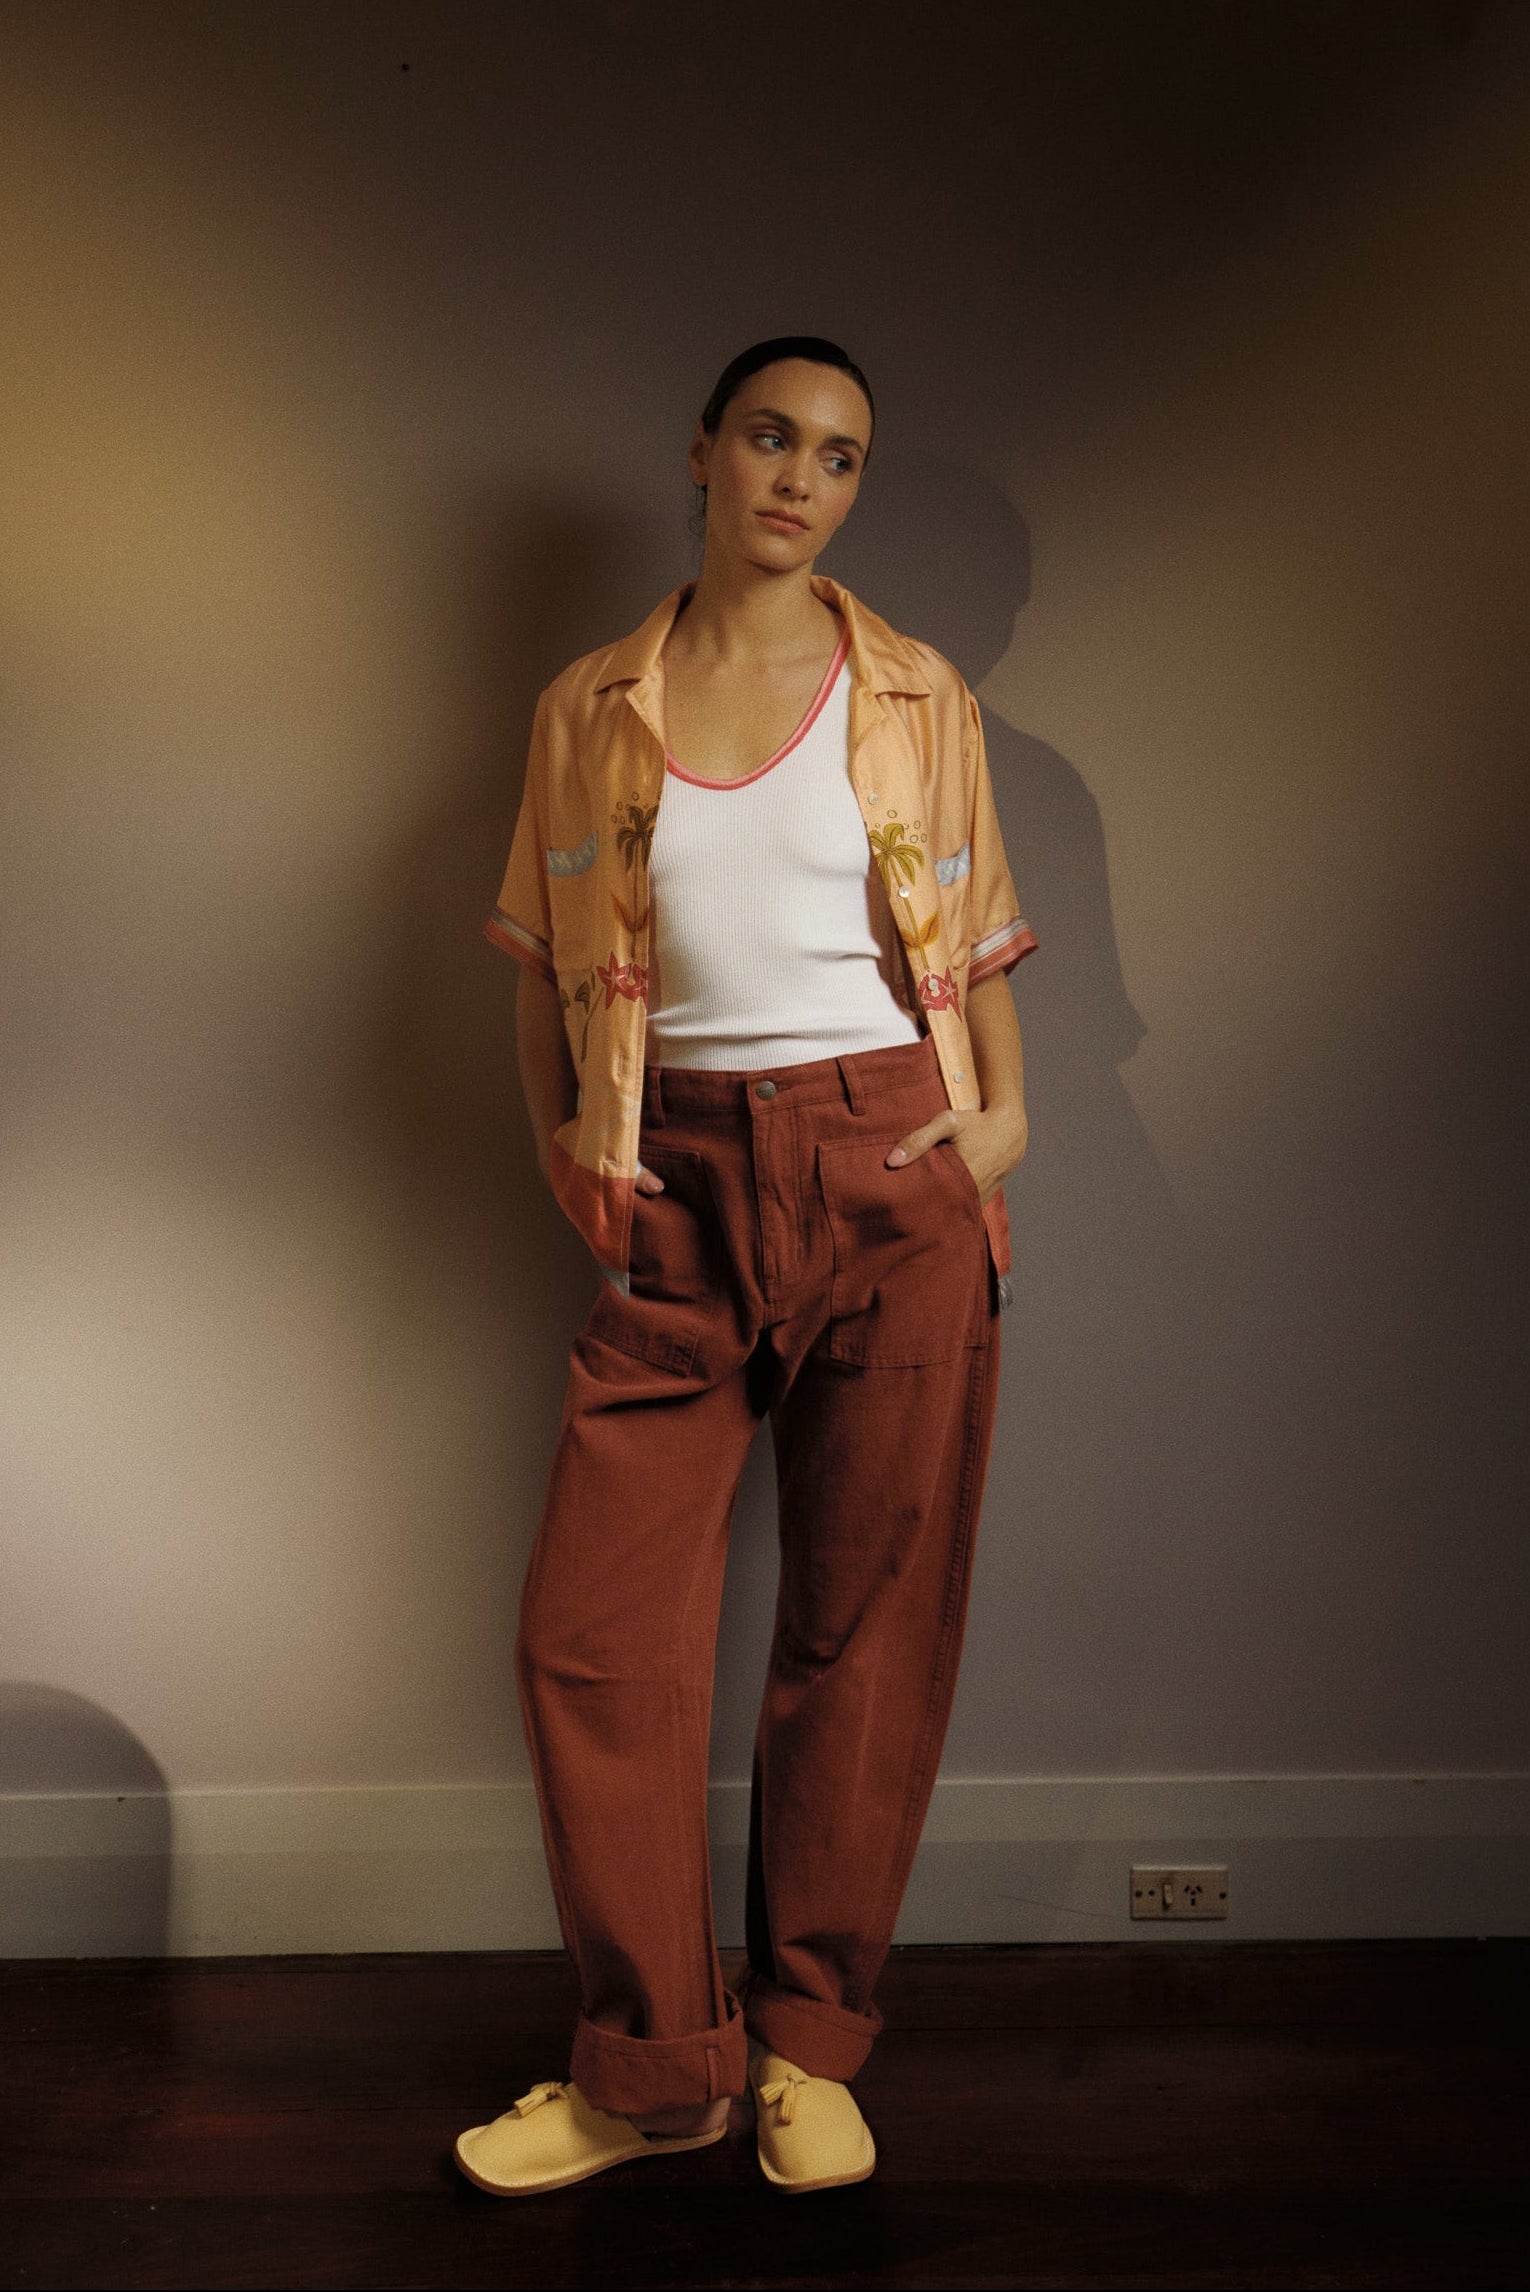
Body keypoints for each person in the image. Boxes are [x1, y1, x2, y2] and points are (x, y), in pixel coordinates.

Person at [456, 337, 1036, 2198]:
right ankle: (654, 2072)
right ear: (702, 451)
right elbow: (542, 957)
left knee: (859, 1632)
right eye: (771, 437)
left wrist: (997, 1132)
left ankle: (804, 2045)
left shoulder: (916, 690)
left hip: (887, 1160)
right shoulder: (588, 701)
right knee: (593, 1634)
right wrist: (568, 1141)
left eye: (840, 457)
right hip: (676, 1170)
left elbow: (982, 939)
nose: (800, 478)